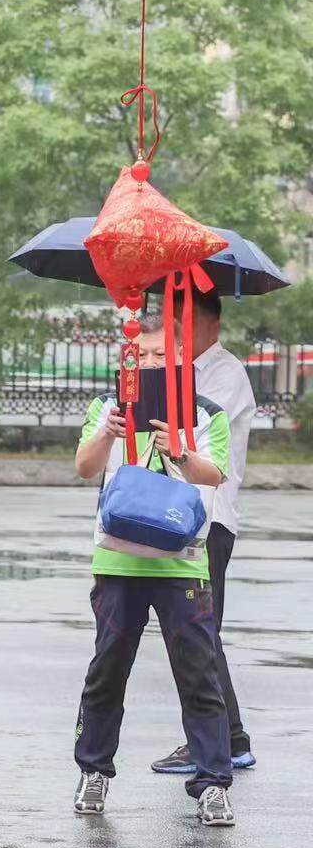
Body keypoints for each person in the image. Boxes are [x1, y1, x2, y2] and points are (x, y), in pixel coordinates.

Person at [71, 322, 235, 826]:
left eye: (160, 353)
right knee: (107, 669)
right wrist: (107, 432)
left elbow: (216, 473)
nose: (148, 362)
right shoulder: (107, 407)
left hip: (181, 560)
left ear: (182, 358)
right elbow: (84, 466)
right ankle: (94, 769)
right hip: (118, 561)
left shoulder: (205, 414)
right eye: (140, 354)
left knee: (197, 672)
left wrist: (179, 450)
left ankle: (212, 782)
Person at [150, 288, 258, 775]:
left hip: (210, 517)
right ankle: (228, 737)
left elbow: (193, 425)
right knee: (194, 631)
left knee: (198, 631)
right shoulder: (181, 369)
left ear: (210, 323)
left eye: (181, 324)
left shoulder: (226, 373)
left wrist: (167, 382)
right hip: (180, 511)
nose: (174, 334)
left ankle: (219, 741)